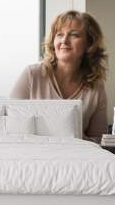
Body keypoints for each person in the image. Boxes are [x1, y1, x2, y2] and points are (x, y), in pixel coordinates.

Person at [10, 10, 108, 143]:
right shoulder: (32, 75)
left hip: (76, 158)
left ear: (89, 44)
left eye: (74, 35)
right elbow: (11, 126)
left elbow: (99, 139)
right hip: (33, 154)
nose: (64, 40)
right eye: (59, 34)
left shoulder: (96, 86)